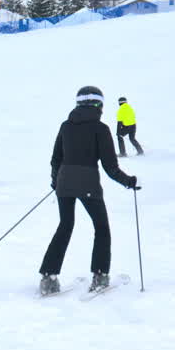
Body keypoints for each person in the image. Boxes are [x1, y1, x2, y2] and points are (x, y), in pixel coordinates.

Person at [40, 86, 138, 295]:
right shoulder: (100, 129)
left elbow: (56, 159)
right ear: (99, 105)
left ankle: (48, 277)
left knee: (65, 226)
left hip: (65, 184)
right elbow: (111, 167)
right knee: (101, 227)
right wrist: (128, 181)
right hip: (88, 185)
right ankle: (100, 275)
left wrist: (56, 182)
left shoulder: (65, 126)